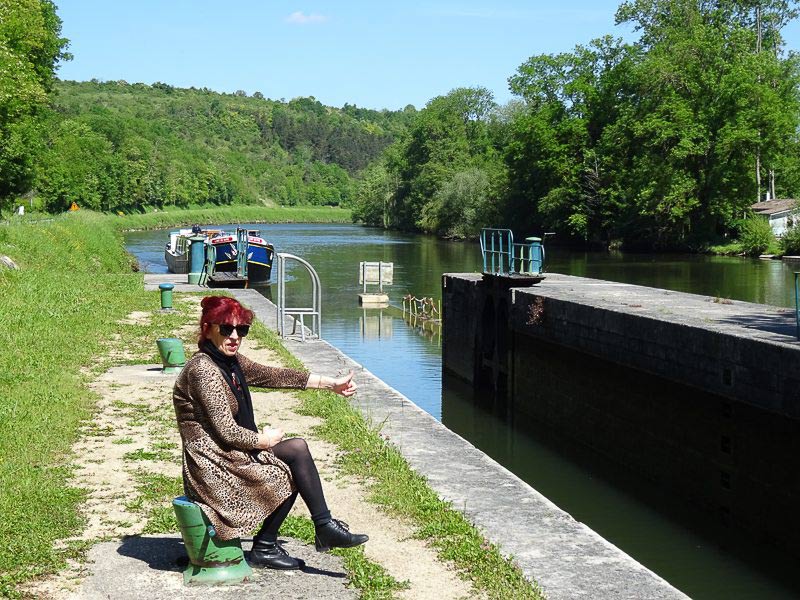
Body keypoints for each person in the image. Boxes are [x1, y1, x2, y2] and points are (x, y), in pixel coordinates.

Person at [172, 295, 368, 570]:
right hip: (211, 464)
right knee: (284, 469)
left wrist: (329, 384)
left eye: (242, 330)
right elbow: (226, 431)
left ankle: (319, 527)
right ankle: (270, 544)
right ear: (208, 328)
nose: (235, 336)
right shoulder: (203, 370)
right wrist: (262, 441)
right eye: (226, 329)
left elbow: (271, 375)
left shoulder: (229, 362)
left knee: (297, 449)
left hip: (227, 454)